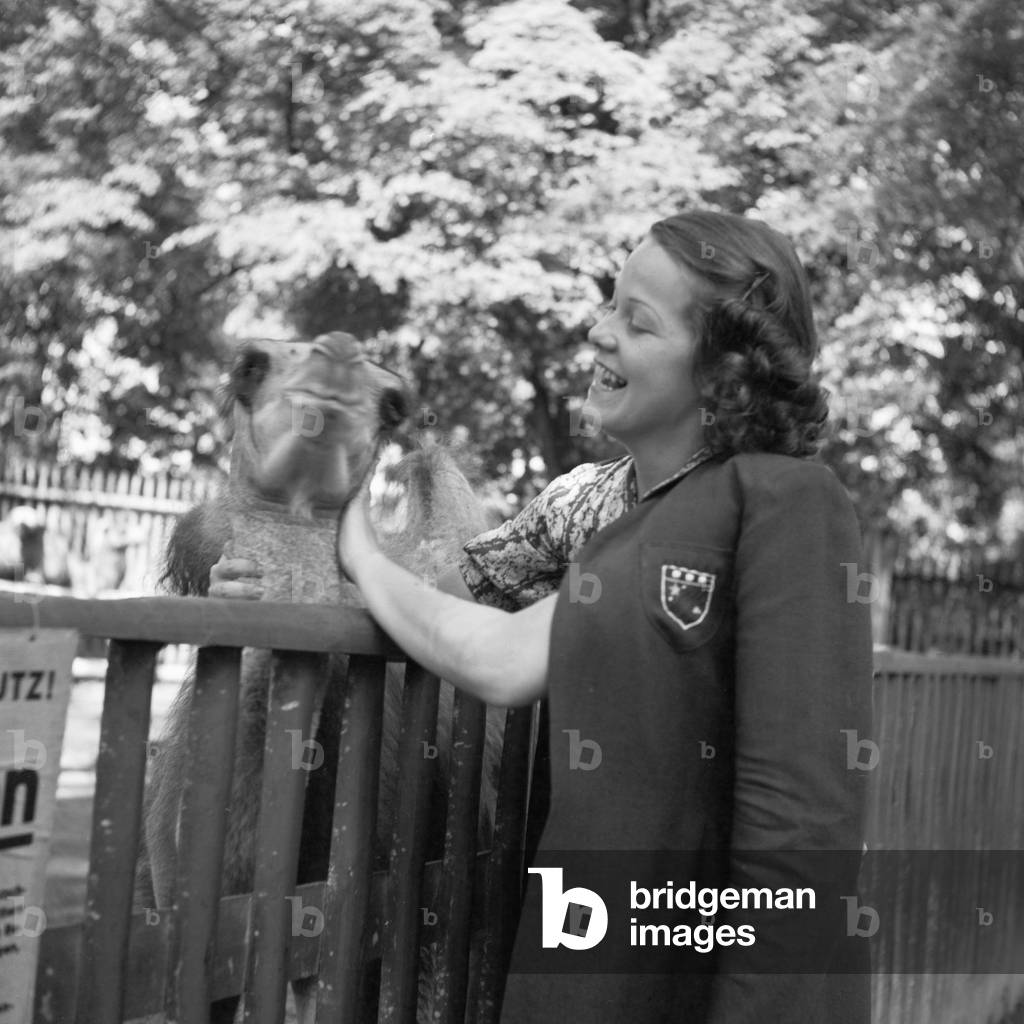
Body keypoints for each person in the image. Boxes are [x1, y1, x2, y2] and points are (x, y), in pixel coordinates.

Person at [337, 210, 873, 1023]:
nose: (597, 331)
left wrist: (363, 553)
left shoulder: (785, 498)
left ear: (724, 369)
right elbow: (497, 644)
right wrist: (347, 556)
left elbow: (802, 825)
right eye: (608, 306)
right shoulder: (630, 526)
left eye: (637, 320)